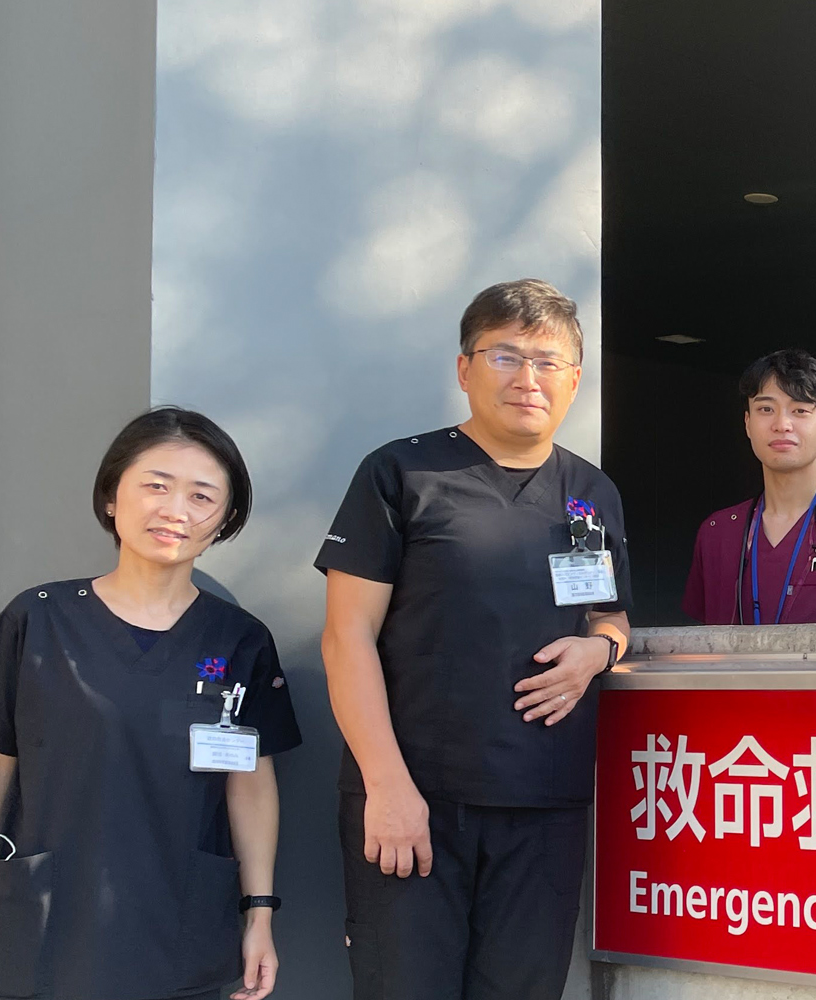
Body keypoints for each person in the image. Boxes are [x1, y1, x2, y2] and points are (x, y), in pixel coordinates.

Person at [318, 279, 633, 1000]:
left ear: (575, 381)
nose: (529, 379)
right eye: (506, 356)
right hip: (416, 803)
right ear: (465, 369)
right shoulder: (403, 474)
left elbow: (609, 620)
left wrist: (600, 651)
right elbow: (346, 638)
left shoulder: (591, 494)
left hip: (544, 807)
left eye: (549, 362)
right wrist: (387, 786)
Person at [0, 407, 299, 1000]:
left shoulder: (239, 640)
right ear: (112, 496)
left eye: (202, 496)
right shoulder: (38, 619)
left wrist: (259, 914)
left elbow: (250, 782)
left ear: (224, 521)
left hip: (177, 922)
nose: (176, 511)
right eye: (155, 485)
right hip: (44, 920)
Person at [683, 349, 816, 624]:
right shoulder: (718, 533)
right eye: (766, 409)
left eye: (800, 410)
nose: (781, 424)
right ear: (748, 424)